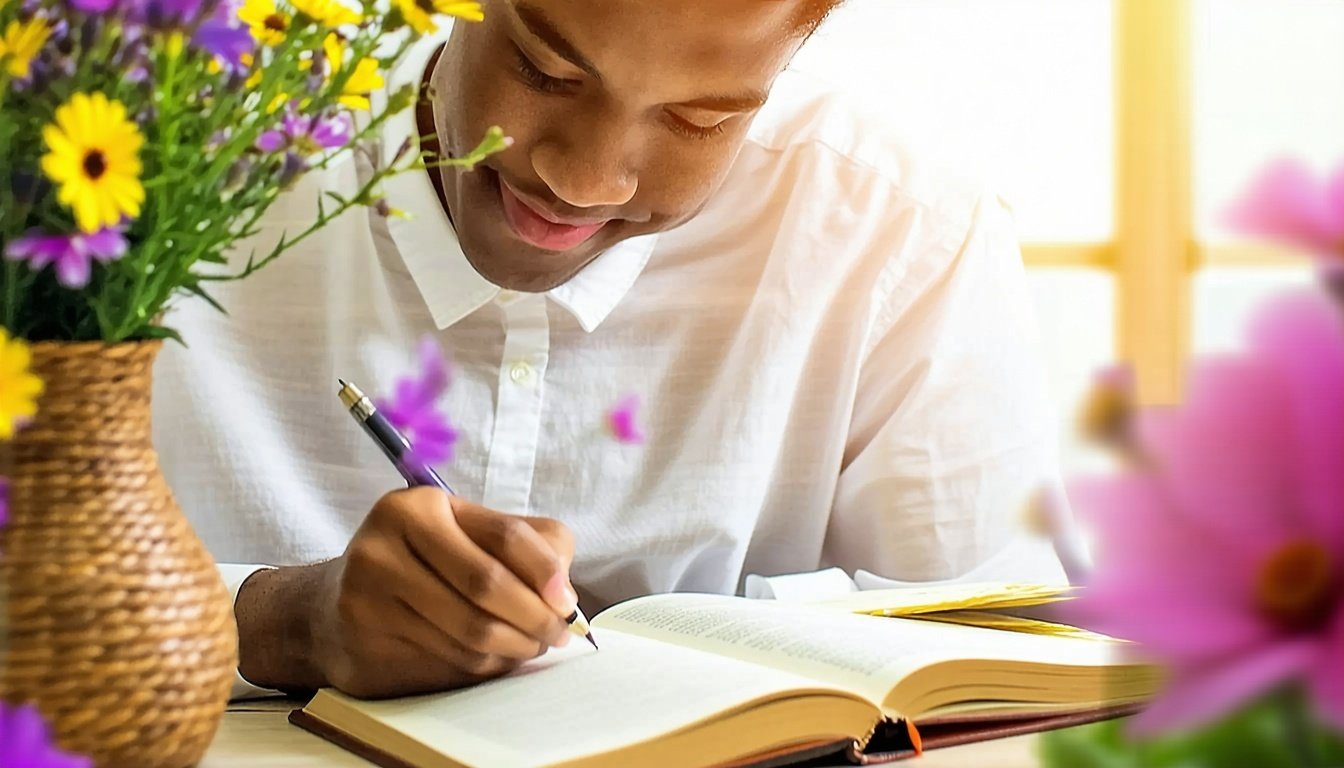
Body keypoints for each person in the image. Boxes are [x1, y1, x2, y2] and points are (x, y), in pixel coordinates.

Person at [153, 0, 1065, 702]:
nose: (581, 179)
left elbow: (993, 652)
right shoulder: (176, 165)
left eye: (699, 120)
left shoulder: (905, 236)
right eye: (544, 70)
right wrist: (282, 625)